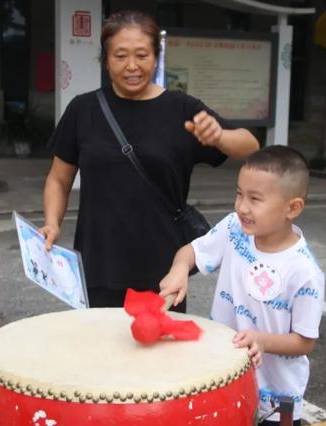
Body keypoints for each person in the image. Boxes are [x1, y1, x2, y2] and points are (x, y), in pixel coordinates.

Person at [41, 10, 259, 309]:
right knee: (101, 351)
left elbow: (250, 146)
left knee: (159, 351)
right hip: (98, 263)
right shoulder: (84, 110)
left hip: (163, 269)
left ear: (156, 57)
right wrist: (52, 223)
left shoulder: (181, 108)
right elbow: (58, 178)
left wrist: (219, 136)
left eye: (142, 55)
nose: (132, 66)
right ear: (106, 60)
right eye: (120, 56)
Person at [159, 146, 324, 426]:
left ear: (292, 208)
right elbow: (190, 252)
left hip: (276, 398)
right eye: (239, 193)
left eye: (255, 199)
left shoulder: (304, 271)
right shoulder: (234, 229)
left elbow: (304, 342)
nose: (242, 207)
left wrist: (262, 340)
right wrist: (179, 269)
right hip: (223, 379)